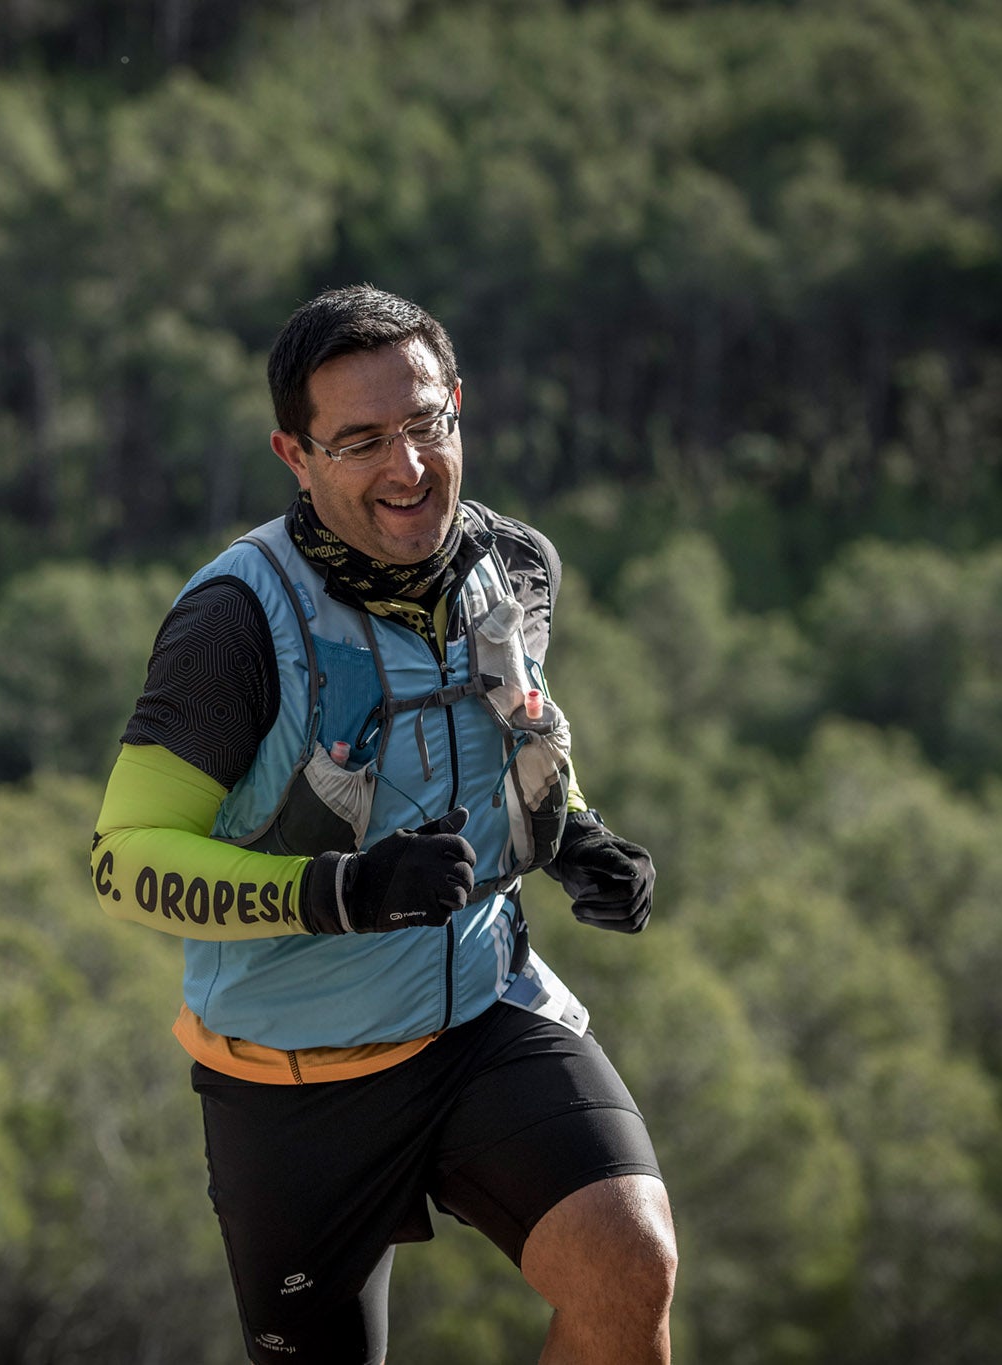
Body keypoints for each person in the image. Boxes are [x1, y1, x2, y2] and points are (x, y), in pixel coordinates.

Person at [89, 285, 677, 1365]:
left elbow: (513, 726)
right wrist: (340, 892)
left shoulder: (516, 565)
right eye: (358, 442)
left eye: (423, 426)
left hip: (481, 1012)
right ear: (294, 454)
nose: (406, 469)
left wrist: (575, 836)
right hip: (292, 1077)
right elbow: (122, 864)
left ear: (455, 405)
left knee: (627, 1260)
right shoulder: (234, 622)